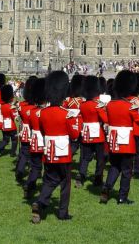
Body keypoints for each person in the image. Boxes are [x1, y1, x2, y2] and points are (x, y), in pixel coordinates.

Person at [31, 71, 82, 223]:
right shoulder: (66, 114)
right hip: (62, 152)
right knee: (65, 182)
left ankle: (40, 203)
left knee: (50, 179)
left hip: (48, 151)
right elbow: (74, 135)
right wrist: (77, 119)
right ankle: (62, 212)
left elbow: (41, 130)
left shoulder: (42, 113)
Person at [100, 70, 139, 204]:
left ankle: (107, 187)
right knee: (126, 170)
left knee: (115, 166)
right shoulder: (130, 106)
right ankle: (122, 197)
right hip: (126, 141)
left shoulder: (110, 105)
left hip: (113, 140)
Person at [75, 76, 108, 188]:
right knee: (100, 159)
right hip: (97, 135)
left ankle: (81, 175)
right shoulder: (97, 105)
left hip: (86, 134)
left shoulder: (82, 105)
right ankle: (98, 179)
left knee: (85, 158)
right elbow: (106, 119)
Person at [23, 78, 46, 199]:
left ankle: (29, 184)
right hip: (44, 142)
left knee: (35, 167)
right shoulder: (45, 112)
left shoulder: (31, 112)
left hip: (34, 141)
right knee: (45, 167)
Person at [16, 77, 37, 182]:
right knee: (35, 155)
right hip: (35, 133)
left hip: (24, 131)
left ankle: (20, 170)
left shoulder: (21, 105)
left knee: (24, 153)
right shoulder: (36, 108)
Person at [63, 74, 84, 155]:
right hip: (81, 124)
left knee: (72, 144)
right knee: (78, 145)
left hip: (69, 123)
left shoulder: (68, 100)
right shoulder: (82, 100)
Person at [0, 85, 18, 157]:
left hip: (4, 125)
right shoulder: (10, 107)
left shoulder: (2, 106)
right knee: (14, 139)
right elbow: (14, 116)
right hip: (12, 126)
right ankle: (13, 153)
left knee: (5, 140)